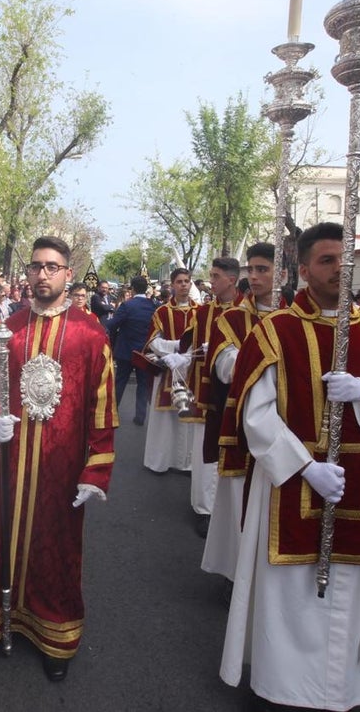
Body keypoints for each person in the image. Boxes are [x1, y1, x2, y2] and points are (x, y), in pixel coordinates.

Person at [220, 223, 360, 711]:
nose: (339, 268)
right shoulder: (276, 330)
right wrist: (303, 467)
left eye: (344, 258)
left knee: (355, 591)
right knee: (291, 592)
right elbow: (256, 413)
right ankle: (284, 686)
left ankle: (351, 687)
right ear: (305, 269)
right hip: (292, 484)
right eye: (327, 260)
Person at [0, 236, 117, 681]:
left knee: (56, 547)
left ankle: (55, 636)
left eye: (52, 267)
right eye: (35, 267)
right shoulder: (9, 329)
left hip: (60, 467)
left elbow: (103, 408)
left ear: (68, 274)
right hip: (8, 463)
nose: (42, 274)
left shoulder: (90, 334)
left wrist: (96, 469)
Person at [205, 243, 279, 577]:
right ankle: (234, 574)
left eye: (263, 269)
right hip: (242, 430)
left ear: (286, 272)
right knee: (239, 506)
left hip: (293, 429)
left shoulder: (298, 318)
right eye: (252, 269)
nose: (256, 276)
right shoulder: (233, 318)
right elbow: (224, 366)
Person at [181, 257, 241, 539]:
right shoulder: (203, 313)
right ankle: (203, 509)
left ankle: (229, 510)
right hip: (208, 391)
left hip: (238, 392)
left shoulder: (246, 310)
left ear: (231, 279)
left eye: (216, 276)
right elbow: (189, 346)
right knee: (205, 451)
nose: (211, 281)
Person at [142, 268, 201, 474]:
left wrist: (186, 356)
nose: (184, 285)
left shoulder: (200, 311)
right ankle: (160, 460)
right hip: (168, 369)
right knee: (165, 419)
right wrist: (174, 348)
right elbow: (153, 341)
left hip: (191, 368)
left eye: (187, 281)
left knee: (188, 415)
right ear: (173, 285)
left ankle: (185, 462)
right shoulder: (162, 312)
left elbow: (202, 341)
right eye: (180, 282)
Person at [106, 276, 156, 426]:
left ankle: (112, 414)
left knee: (120, 382)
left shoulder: (127, 306)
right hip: (144, 352)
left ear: (132, 289)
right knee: (142, 384)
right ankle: (140, 416)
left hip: (126, 350)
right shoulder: (153, 306)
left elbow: (113, 324)